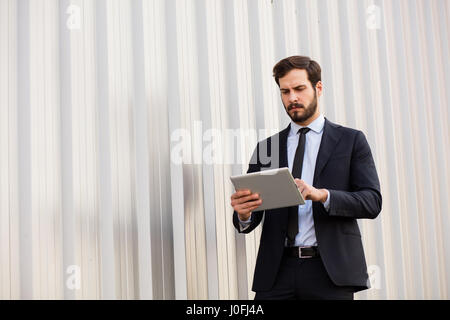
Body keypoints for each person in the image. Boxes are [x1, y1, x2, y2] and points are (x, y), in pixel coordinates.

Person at [231, 55, 382, 300]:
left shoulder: (351, 140)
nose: (292, 98)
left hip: (329, 273)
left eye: (299, 89)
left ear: (318, 88)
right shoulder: (266, 148)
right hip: (276, 274)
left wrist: (322, 195)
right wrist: (244, 214)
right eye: (285, 91)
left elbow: (372, 201)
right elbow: (250, 216)